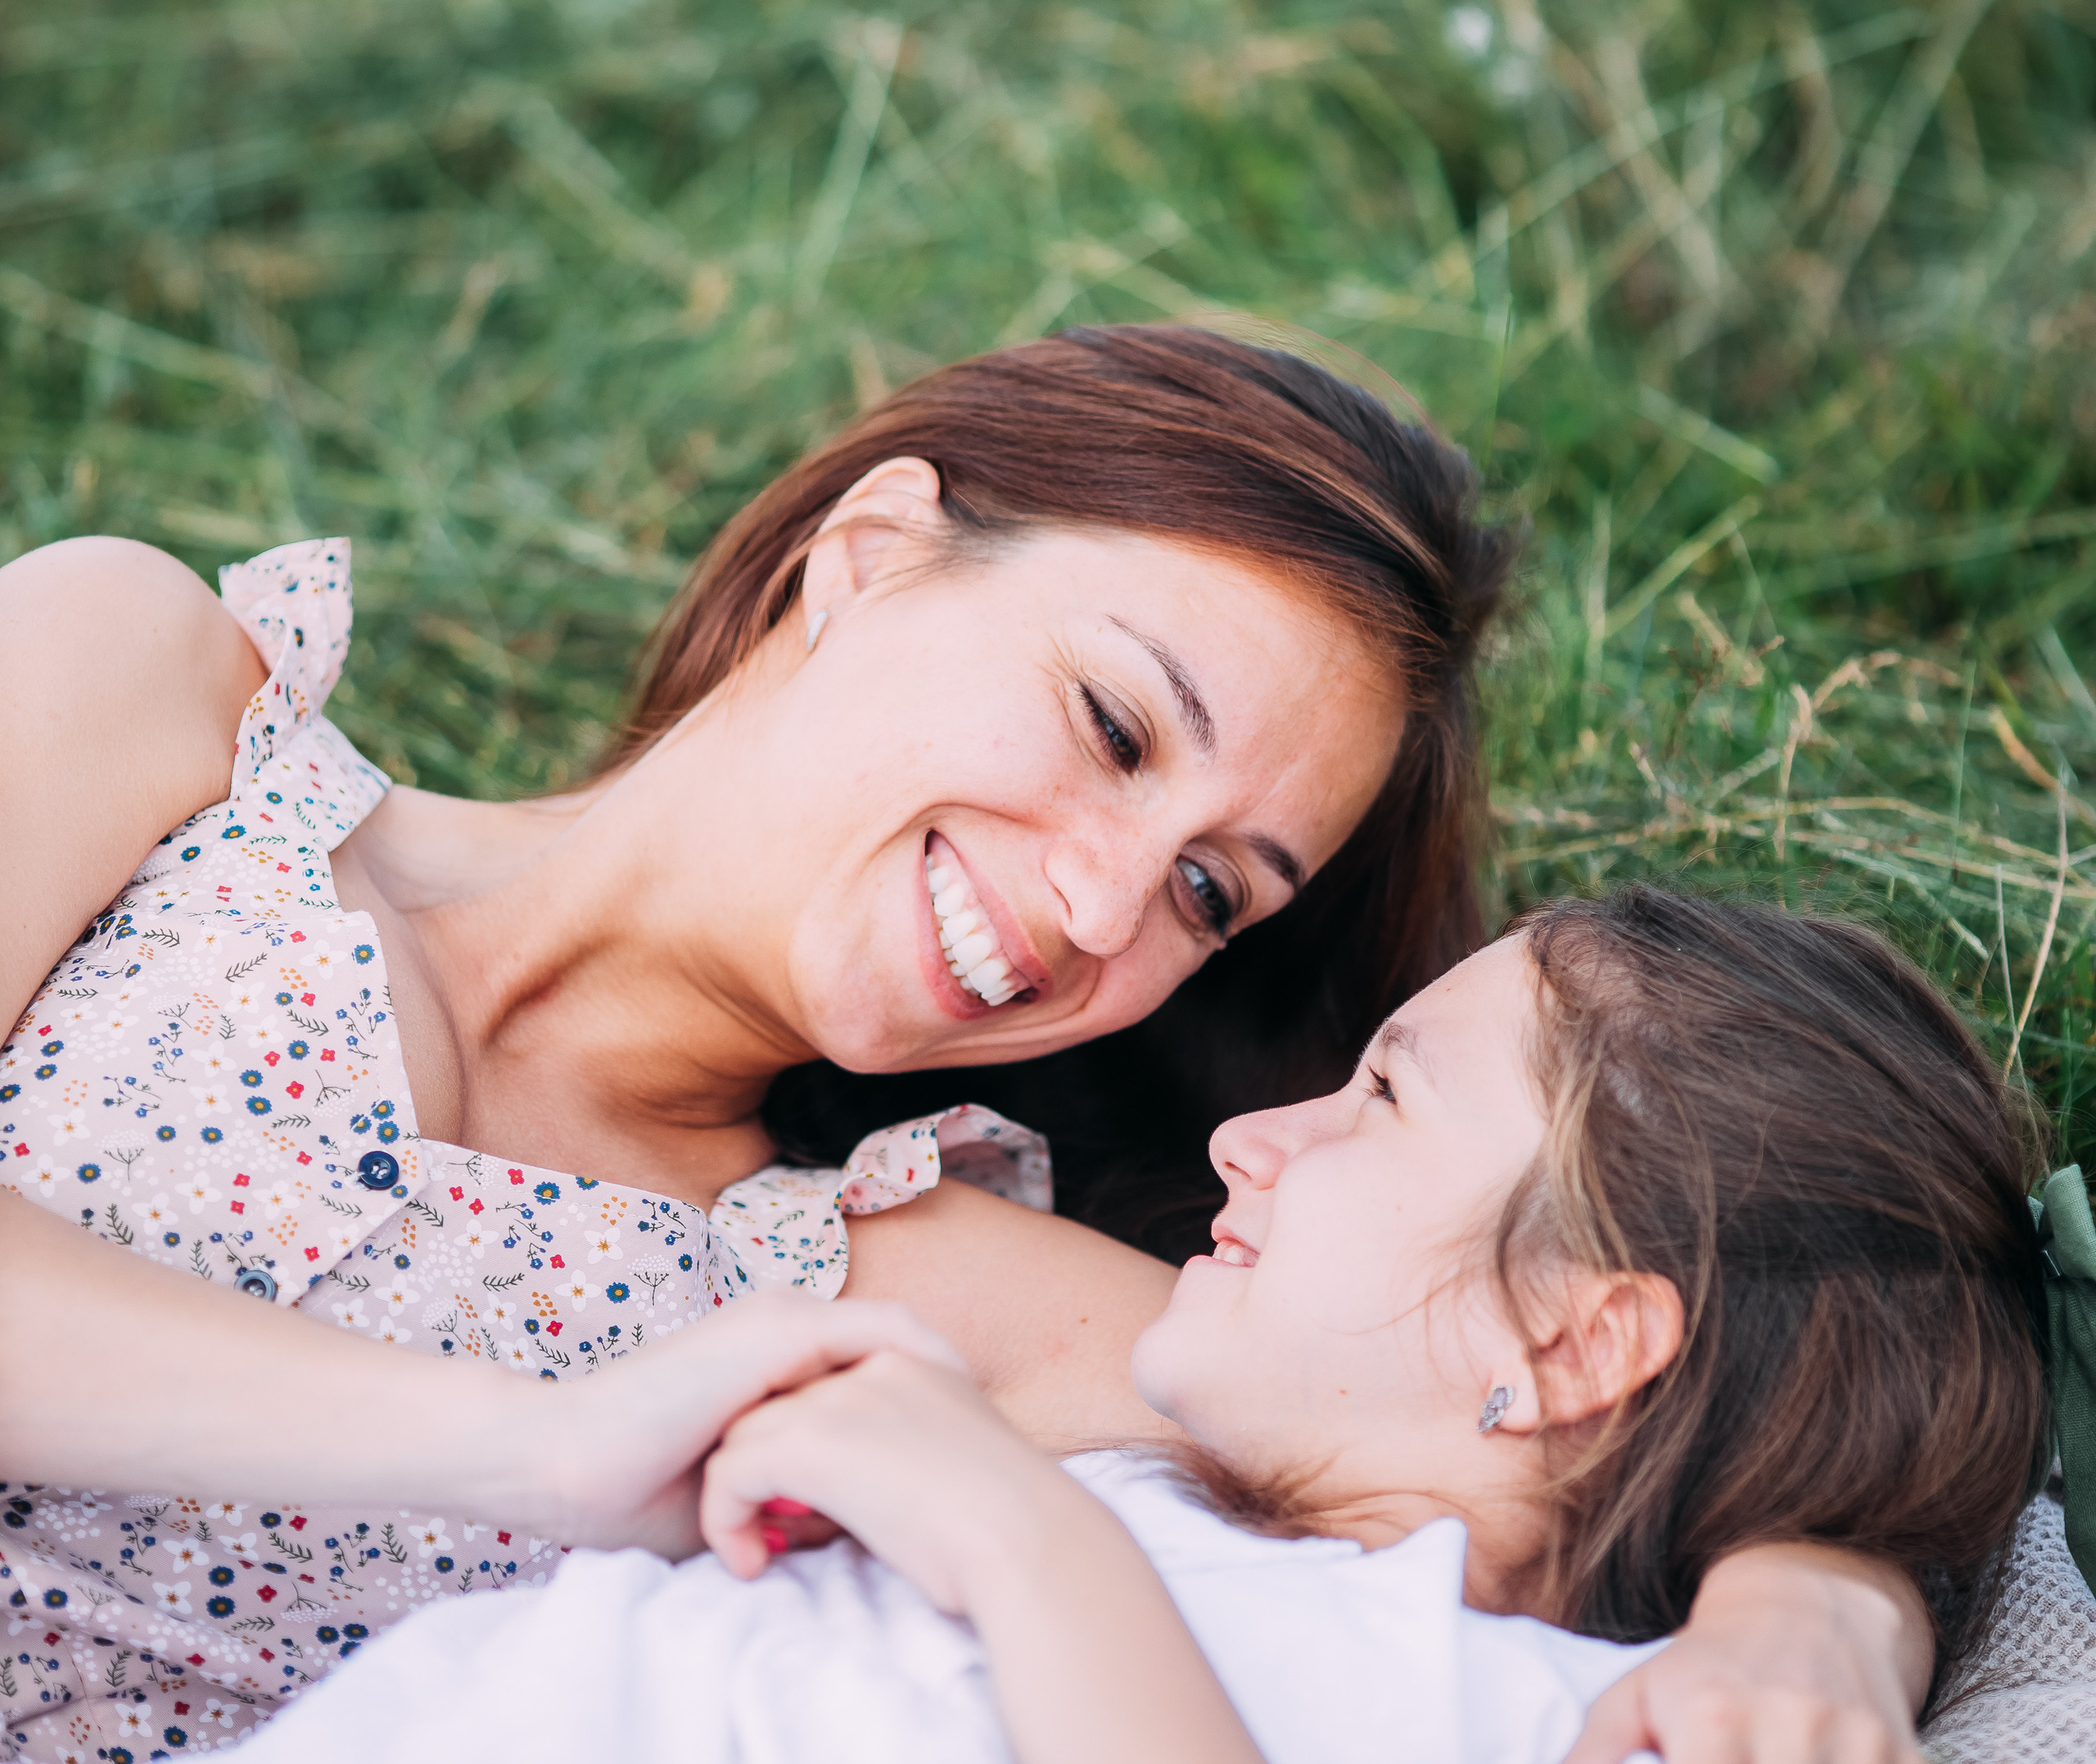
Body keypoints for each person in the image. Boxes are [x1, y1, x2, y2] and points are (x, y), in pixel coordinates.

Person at [0, 327, 1931, 1757]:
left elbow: (1589, 1435)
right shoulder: (152, 696)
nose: (1102, 909)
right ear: (868, 553)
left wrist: (1823, 1599)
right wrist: (529, 1444)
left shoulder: (909, 1288)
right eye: (1109, 726)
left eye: (1207, 896)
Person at [233, 887, 2053, 1764]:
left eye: (1383, 1098)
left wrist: (1025, 1545)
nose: (1250, 1139)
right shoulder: (1171, 1493)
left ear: (1577, 1343)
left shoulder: (1587, 1725)